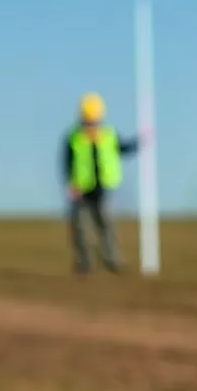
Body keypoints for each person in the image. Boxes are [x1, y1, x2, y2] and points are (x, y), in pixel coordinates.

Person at [61, 91, 141, 274]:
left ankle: (113, 261)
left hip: (103, 188)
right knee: (81, 229)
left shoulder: (109, 135)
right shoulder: (74, 137)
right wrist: (71, 184)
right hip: (81, 189)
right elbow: (67, 162)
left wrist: (139, 142)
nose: (91, 123)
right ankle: (84, 264)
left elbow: (123, 149)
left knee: (107, 227)